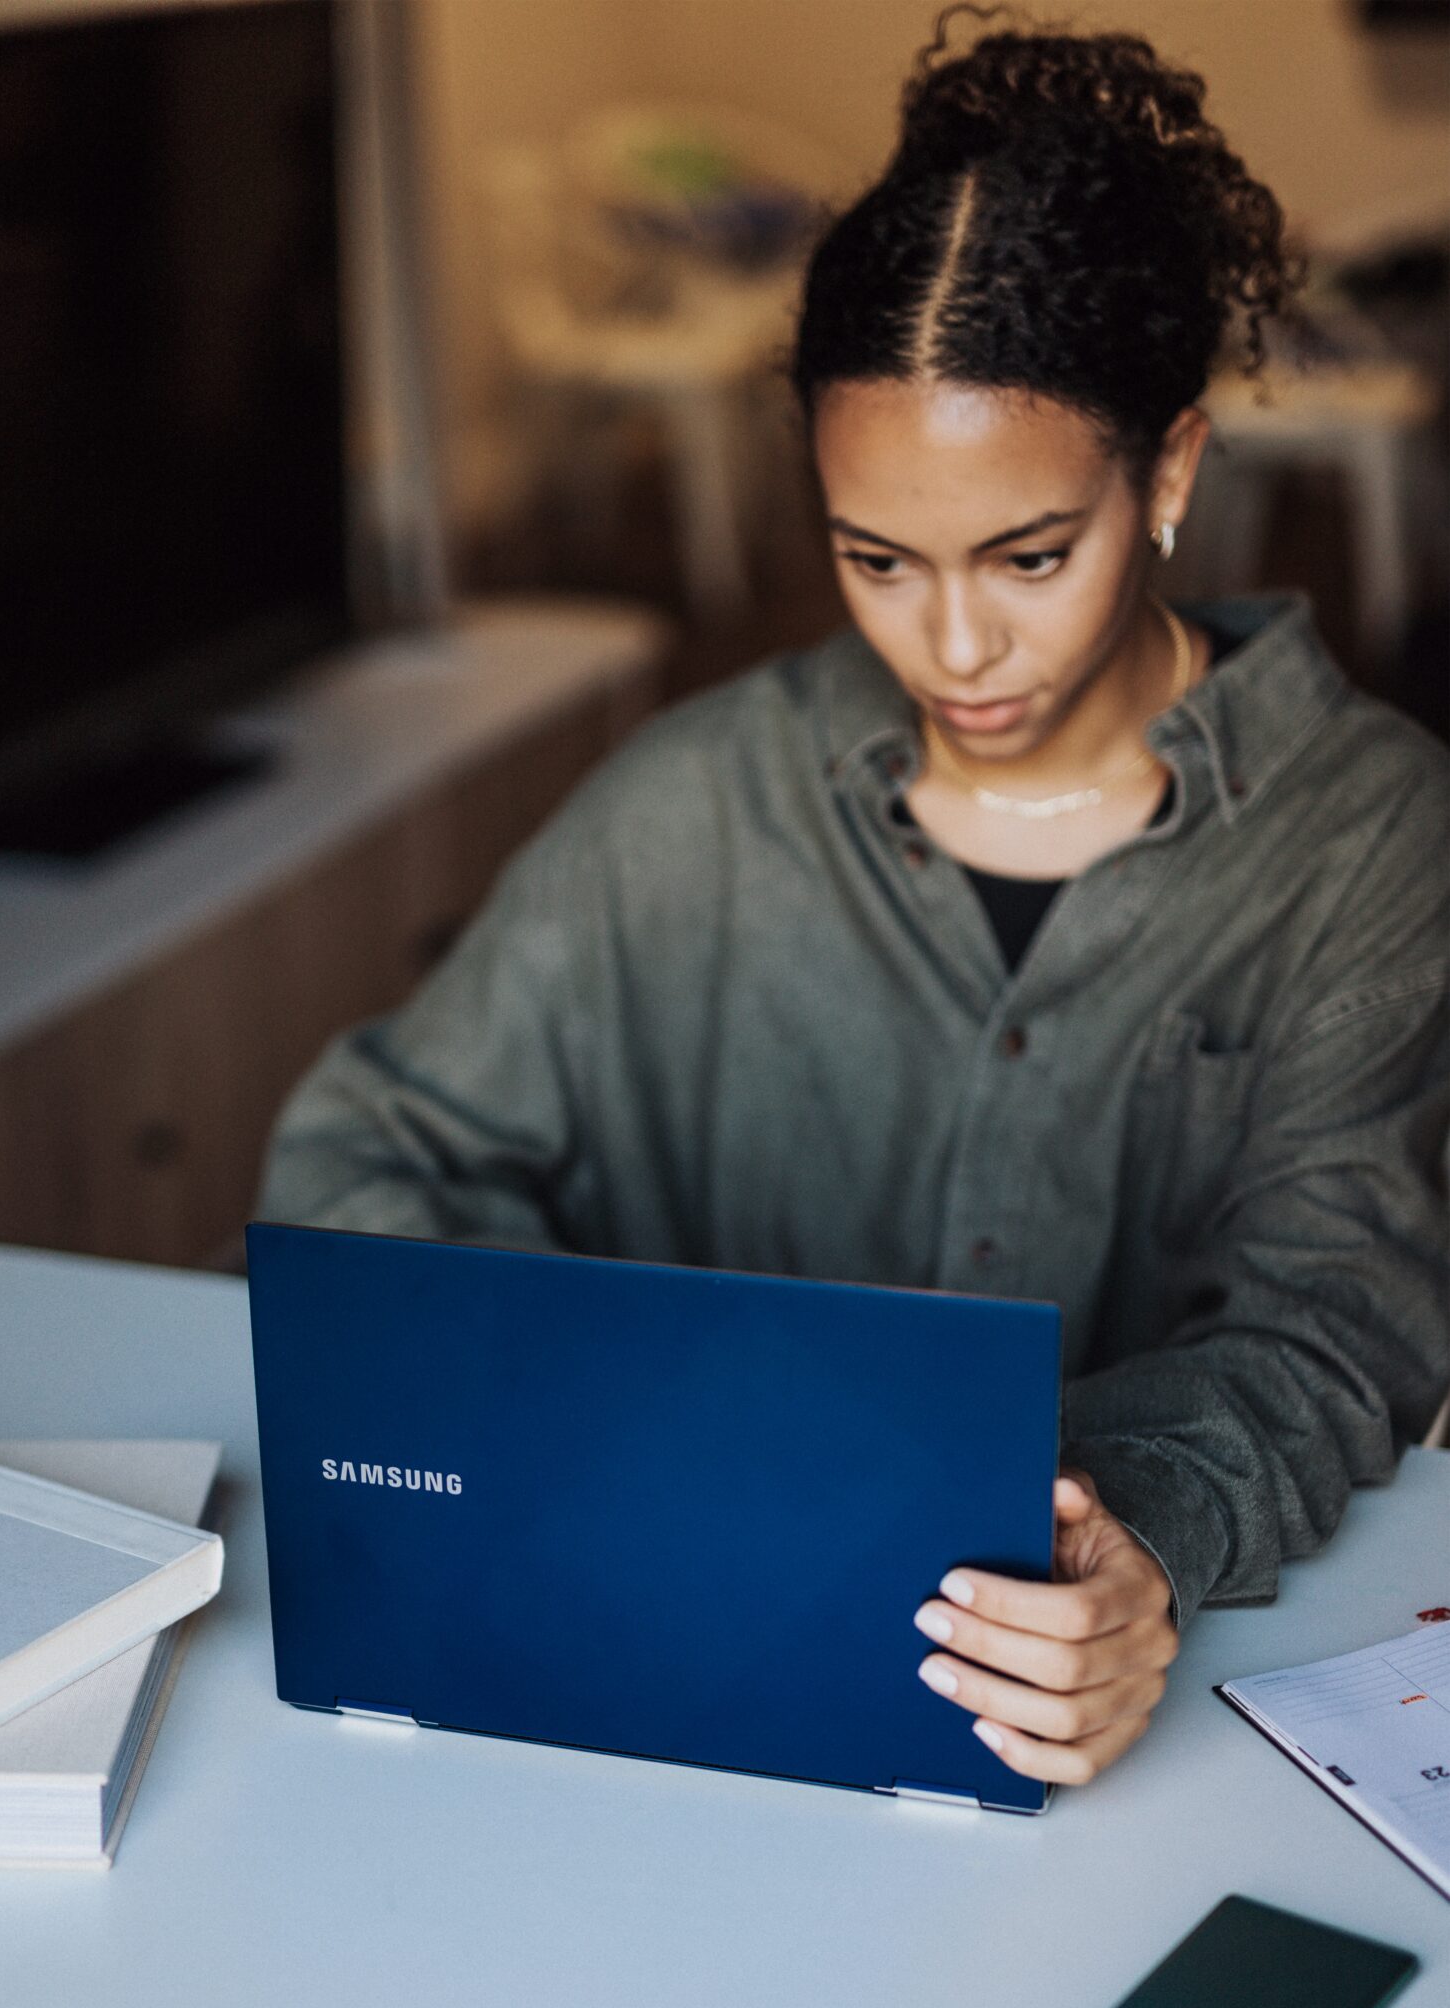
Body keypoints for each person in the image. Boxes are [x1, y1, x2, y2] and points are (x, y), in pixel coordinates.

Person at [259, 14, 1450, 1788]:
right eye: (875, 560)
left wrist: (1137, 1547)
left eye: (1030, 558)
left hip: (1111, 1742)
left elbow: (1336, 1322)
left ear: (1173, 473)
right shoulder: (697, 794)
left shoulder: (1367, 829)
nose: (954, 646)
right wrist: (586, 1423)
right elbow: (369, 1154)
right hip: (657, 1705)